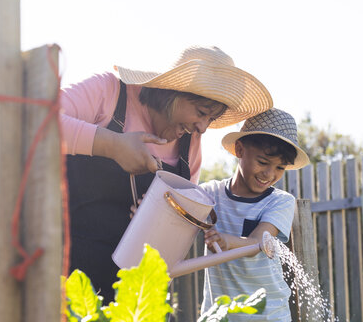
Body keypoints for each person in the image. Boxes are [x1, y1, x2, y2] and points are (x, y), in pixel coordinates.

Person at [60, 46, 273, 302]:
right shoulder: (109, 92)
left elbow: (178, 227)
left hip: (140, 296)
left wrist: (158, 224)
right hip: (68, 282)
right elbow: (36, 120)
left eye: (211, 118)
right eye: (202, 113)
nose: (203, 128)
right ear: (171, 92)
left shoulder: (189, 144)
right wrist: (113, 146)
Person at [200, 108, 310, 321]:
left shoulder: (279, 201)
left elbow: (259, 242)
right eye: (262, 162)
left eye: (279, 167)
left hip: (269, 315)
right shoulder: (210, 195)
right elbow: (175, 206)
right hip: (219, 315)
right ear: (240, 150)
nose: (269, 174)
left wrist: (226, 242)